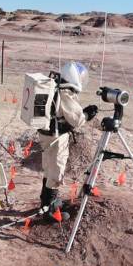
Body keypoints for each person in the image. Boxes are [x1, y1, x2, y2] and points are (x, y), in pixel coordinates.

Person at [38, 61, 98, 219]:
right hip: (56, 137)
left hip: (46, 134)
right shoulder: (65, 92)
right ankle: (49, 210)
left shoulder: (55, 85)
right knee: (56, 170)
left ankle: (46, 201)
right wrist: (87, 114)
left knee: (49, 167)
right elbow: (76, 120)